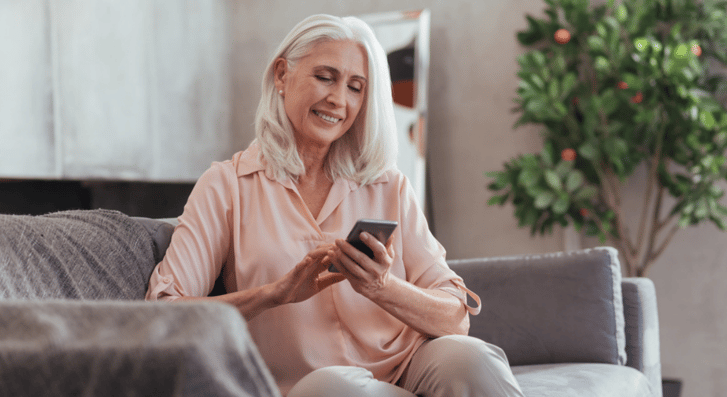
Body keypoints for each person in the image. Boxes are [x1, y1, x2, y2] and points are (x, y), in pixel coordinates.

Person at [146, 14, 525, 397]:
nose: (339, 100)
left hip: (409, 367)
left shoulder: (388, 184)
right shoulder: (227, 186)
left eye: (356, 87)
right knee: (340, 388)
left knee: (472, 359)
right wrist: (276, 293)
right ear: (282, 75)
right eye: (325, 77)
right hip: (309, 386)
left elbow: (455, 319)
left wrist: (381, 286)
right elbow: (163, 315)